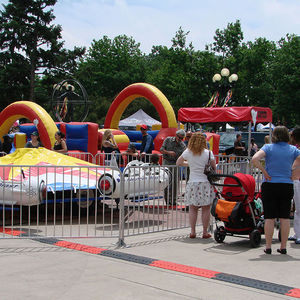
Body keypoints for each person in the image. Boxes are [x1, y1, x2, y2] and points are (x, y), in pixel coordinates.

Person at [251, 126, 300, 254]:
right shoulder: (293, 149)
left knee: (269, 217)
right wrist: (294, 173)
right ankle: (283, 247)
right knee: (284, 217)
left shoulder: (268, 147)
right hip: (286, 184)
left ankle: (268, 246)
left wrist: (264, 172)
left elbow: (255, 159)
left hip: (270, 183)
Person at [176, 132, 216, 239]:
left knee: (192, 208)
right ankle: (204, 232)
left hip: (192, 183)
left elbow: (178, 162)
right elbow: (213, 167)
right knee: (206, 208)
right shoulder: (208, 153)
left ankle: (192, 231)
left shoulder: (188, 152)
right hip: (205, 183)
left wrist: (189, 164)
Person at [160, 129, 186, 205]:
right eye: (179, 137)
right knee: (166, 181)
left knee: (175, 182)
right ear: (176, 135)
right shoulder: (168, 140)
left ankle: (174, 200)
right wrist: (168, 152)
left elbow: (184, 156)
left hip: (175, 163)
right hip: (166, 162)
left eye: (182, 138)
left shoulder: (182, 145)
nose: (180, 140)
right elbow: (161, 149)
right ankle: (167, 200)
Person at [289, 126, 300, 244]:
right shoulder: (295, 149)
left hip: (298, 179)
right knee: (297, 209)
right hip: (296, 180)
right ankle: (297, 233)